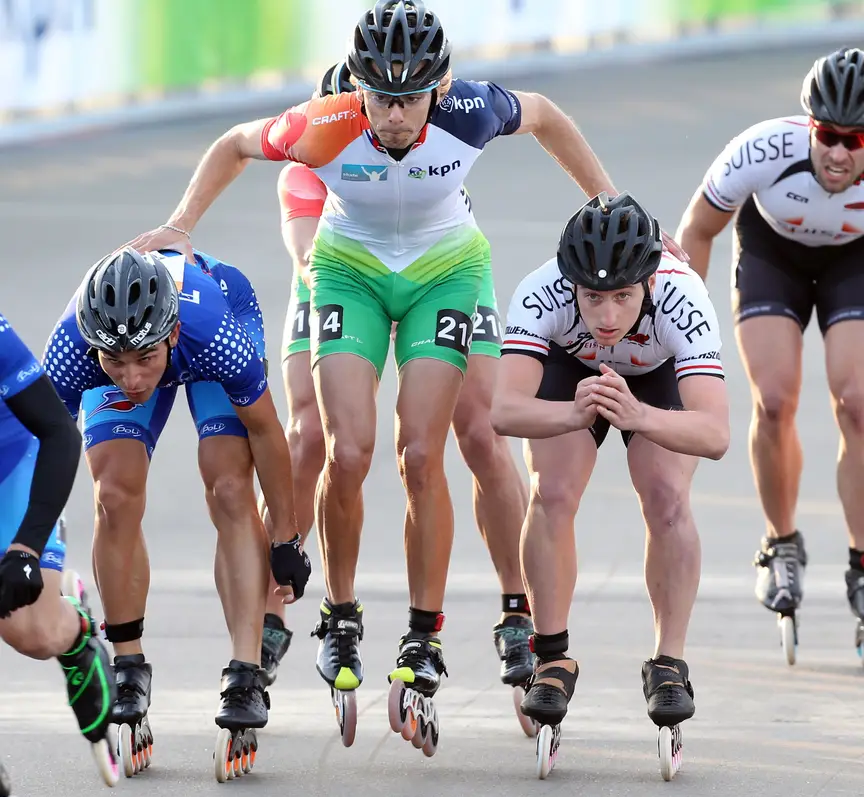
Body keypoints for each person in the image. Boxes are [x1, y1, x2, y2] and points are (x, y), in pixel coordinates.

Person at [127, 1, 684, 749]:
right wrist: (181, 224)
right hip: (348, 270)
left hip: (446, 271)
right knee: (343, 448)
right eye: (380, 96)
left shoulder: (469, 110)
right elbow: (234, 145)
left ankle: (434, 631)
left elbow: (547, 115)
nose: (394, 114)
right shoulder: (322, 124)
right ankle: (340, 615)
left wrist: (608, 200)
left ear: (439, 87)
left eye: (410, 97)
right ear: (357, 86)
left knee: (427, 450)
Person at [262, 58, 534, 705]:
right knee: (311, 434)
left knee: (480, 431)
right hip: (340, 270)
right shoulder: (310, 160)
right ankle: (272, 610)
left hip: (440, 267)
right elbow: (307, 259)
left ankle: (518, 605)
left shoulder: (427, 141)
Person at [41, 247, 311, 774]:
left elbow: (266, 432)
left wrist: (286, 538)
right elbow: (43, 451)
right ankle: (128, 665)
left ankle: (246, 672)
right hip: (143, 339)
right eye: (115, 361)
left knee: (228, 484)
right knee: (114, 493)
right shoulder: (73, 349)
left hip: (214, 326)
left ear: (170, 334)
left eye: (144, 359)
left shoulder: (214, 334)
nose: (131, 378)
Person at [492, 192, 729, 774]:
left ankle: (669, 663)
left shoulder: (683, 297)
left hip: (655, 378)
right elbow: (503, 411)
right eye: (592, 297)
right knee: (552, 490)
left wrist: (640, 416)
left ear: (648, 282)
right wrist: (573, 414)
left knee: (666, 495)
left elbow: (716, 433)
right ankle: (551, 657)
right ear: (569, 283)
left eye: (623, 296)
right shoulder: (541, 291)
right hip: (570, 372)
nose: (606, 316)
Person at [675, 46, 864, 647]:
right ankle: (780, 543)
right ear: (809, 126)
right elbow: (696, 231)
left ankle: (862, 560)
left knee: (857, 404)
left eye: (855, 141)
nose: (838, 153)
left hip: (854, 262)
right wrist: (681, 333)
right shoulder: (761, 149)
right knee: (775, 400)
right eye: (827, 135)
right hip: (772, 256)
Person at [0, 311, 119, 797]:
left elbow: (58, 432)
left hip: (10, 462)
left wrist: (26, 547)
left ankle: (74, 637)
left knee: (32, 633)